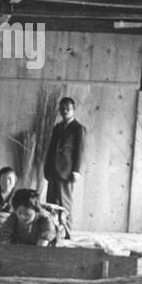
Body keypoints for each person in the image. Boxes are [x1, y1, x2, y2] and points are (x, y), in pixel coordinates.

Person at [43, 98, 85, 233]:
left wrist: (76, 170)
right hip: (53, 170)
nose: (64, 111)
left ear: (73, 110)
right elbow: (51, 149)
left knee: (64, 202)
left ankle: (67, 232)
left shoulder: (78, 128)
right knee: (51, 202)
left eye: (67, 108)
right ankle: (52, 231)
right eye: (62, 108)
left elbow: (80, 151)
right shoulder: (57, 127)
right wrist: (47, 168)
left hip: (66, 171)